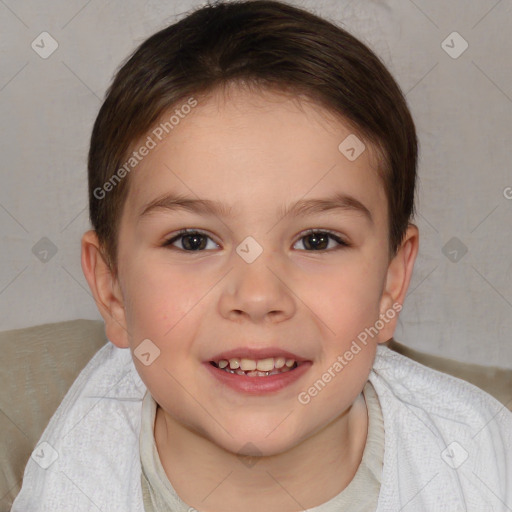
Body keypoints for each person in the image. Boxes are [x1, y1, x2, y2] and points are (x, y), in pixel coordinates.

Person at [11, 1, 512, 510]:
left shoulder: (482, 467)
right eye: (193, 241)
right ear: (112, 289)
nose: (257, 297)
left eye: (317, 240)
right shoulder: (66, 480)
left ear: (392, 282)